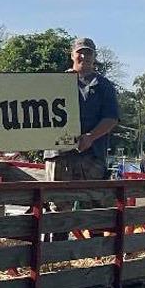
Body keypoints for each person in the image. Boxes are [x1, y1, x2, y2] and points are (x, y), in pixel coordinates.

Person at [45, 37, 118, 184]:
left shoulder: (103, 85)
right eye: (80, 52)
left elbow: (111, 118)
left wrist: (90, 137)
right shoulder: (55, 82)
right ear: (72, 55)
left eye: (89, 53)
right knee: (56, 202)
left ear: (94, 57)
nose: (84, 56)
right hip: (58, 155)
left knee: (90, 202)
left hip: (91, 157)